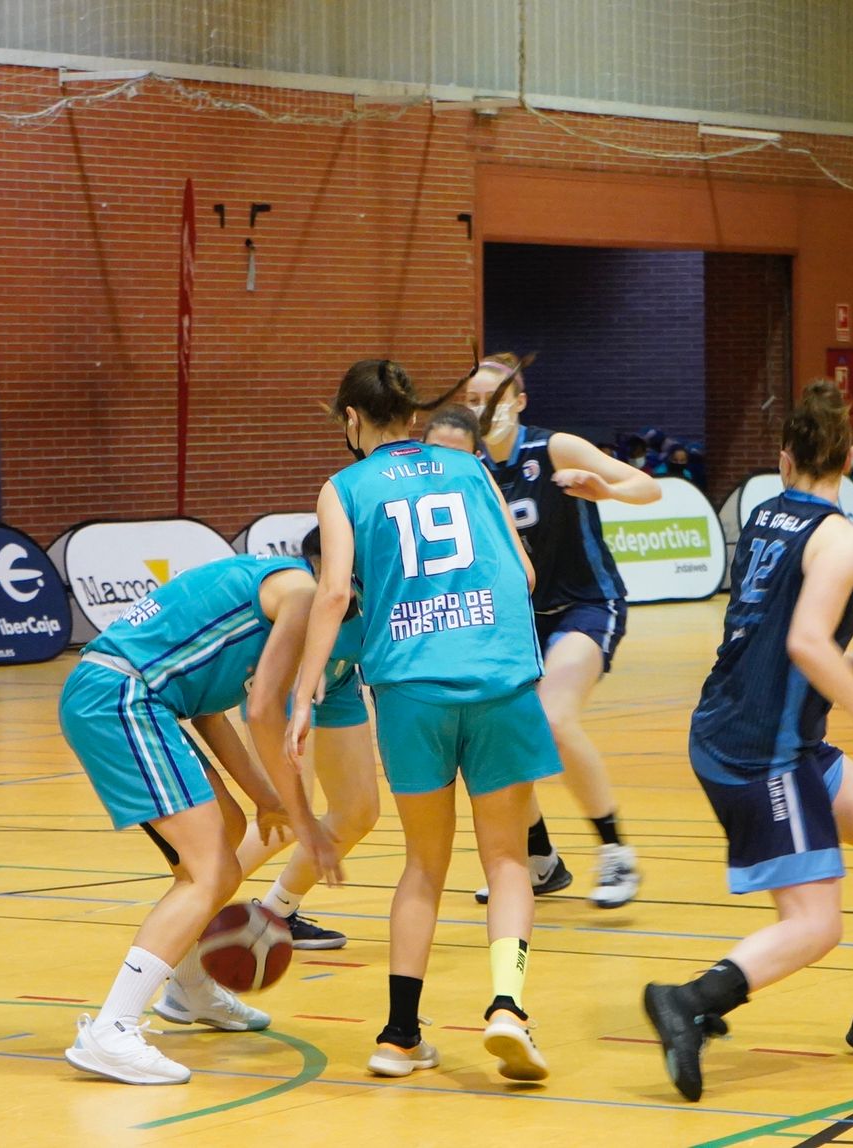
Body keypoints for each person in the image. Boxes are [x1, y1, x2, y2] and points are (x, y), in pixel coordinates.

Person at [642, 380, 853, 1103]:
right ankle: (689, 1002)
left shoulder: (766, 514)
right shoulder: (844, 537)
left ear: (785, 459)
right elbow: (805, 643)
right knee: (815, 925)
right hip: (762, 749)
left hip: (754, 729)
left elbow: (780, 637)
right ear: (851, 459)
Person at [292, 358, 560, 1082]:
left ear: (352, 419)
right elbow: (526, 575)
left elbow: (332, 594)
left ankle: (399, 1036)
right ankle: (507, 1007)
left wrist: (305, 691)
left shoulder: (344, 487)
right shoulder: (468, 467)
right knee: (506, 859)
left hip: (411, 686)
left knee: (423, 864)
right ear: (412, 416)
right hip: (498, 674)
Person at [56, 548, 344, 1085]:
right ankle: (112, 1030)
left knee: (227, 838)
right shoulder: (301, 595)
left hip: (132, 696)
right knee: (207, 873)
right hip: (121, 697)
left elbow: (212, 714)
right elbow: (263, 710)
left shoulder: (271, 591)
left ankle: (188, 987)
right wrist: (303, 818)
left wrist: (268, 801)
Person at [462, 352, 661, 909]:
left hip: (585, 604)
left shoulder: (555, 447)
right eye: (472, 401)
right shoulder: (469, 468)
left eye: (494, 399)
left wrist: (605, 488)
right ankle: (540, 860)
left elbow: (648, 487)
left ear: (520, 402)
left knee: (553, 717)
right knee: (497, 735)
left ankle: (616, 852)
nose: (483, 409)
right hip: (517, 619)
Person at [235, 528, 380, 952]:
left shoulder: (378, 587)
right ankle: (197, 900)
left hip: (337, 681)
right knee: (285, 819)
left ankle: (277, 913)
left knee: (358, 811)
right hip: (282, 681)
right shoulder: (296, 590)